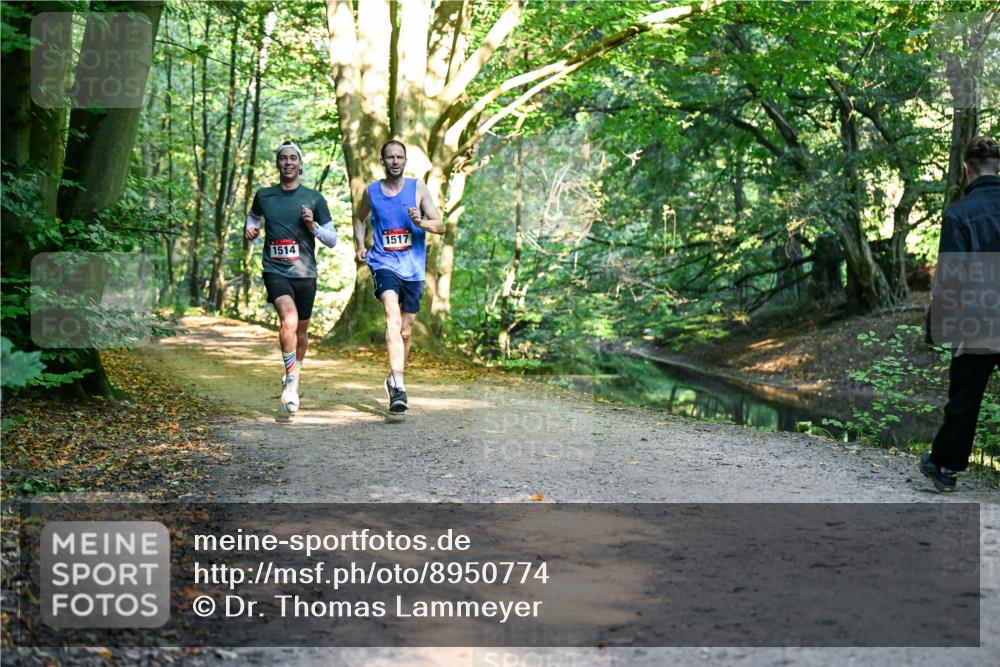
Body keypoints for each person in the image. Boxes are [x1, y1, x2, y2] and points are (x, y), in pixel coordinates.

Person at [920, 136, 1000, 491]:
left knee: (965, 397)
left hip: (979, 320)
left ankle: (944, 467)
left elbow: (951, 279)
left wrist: (936, 326)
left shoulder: (959, 214)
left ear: (966, 169)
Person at [245, 141, 337, 414]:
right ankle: (290, 382)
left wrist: (313, 226)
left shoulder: (314, 198)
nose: (288, 162)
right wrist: (250, 230)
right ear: (278, 163)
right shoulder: (264, 196)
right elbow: (253, 217)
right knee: (288, 319)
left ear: (300, 164)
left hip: (305, 273)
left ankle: (294, 374)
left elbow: (332, 240)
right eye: (283, 158)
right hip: (275, 270)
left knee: (301, 331)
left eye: (292, 158)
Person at [352, 140, 444, 413]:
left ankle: (394, 379)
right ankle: (399, 387)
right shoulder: (372, 192)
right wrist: (360, 245)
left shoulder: (418, 188)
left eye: (399, 157)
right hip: (384, 263)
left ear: (405, 161)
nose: (395, 161)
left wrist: (420, 223)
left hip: (413, 269)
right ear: (382, 161)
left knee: (405, 329)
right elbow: (359, 218)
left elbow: (440, 226)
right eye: (390, 157)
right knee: (392, 315)